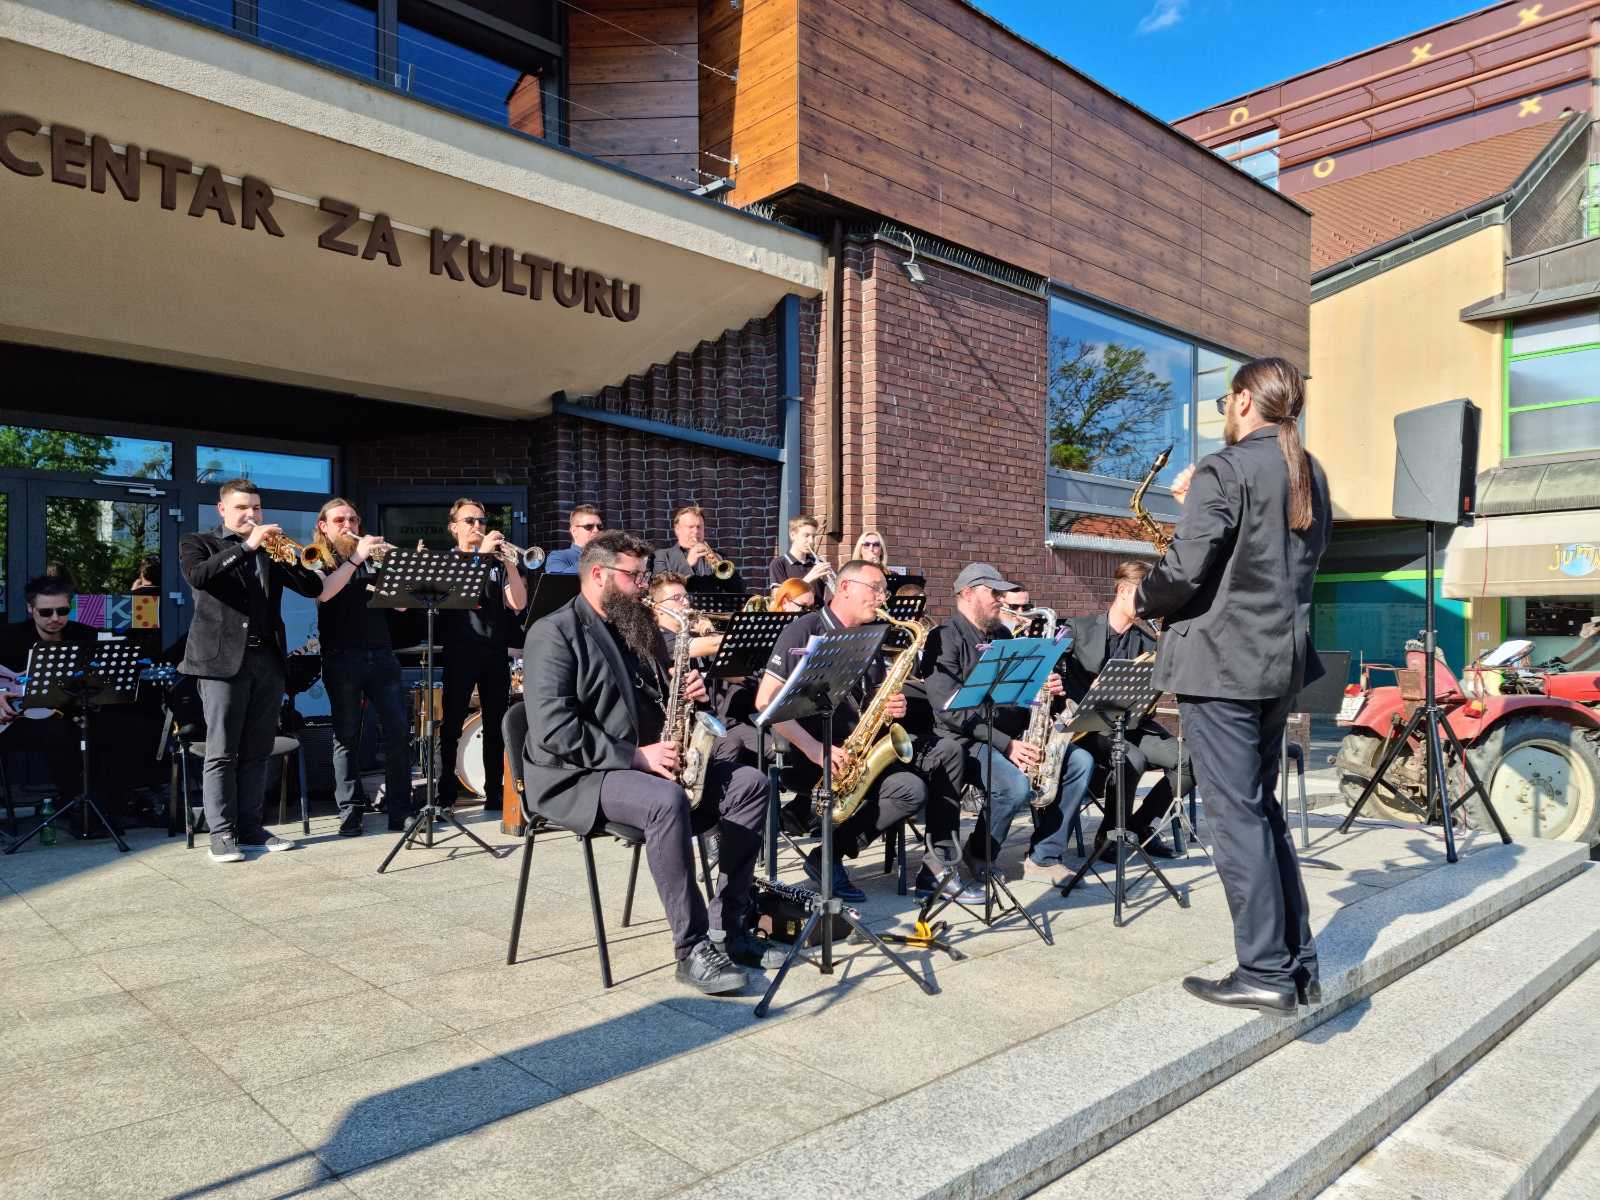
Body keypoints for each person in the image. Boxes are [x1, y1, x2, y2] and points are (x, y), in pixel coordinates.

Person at [1137, 357, 1331, 1015]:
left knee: (1235, 816)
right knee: (1262, 810)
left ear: (1245, 401)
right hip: (1277, 664)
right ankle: (1296, 964)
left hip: (1221, 667)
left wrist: (1142, 594)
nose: (1226, 408)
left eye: (1227, 398)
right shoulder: (1310, 473)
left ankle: (1265, 972)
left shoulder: (1226, 468)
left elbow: (1186, 571)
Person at [522, 531, 779, 992]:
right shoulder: (553, 632)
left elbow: (662, 699)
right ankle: (692, 947)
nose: (643, 586)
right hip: (579, 775)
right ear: (598, 575)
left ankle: (731, 923)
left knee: (751, 783)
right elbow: (554, 731)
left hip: (645, 763)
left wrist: (691, 697)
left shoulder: (634, 624)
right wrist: (636, 757)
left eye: (643, 575)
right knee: (665, 802)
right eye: (634, 576)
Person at [756, 558, 980, 904]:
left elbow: (870, 696)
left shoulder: (871, 634)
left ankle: (938, 866)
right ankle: (829, 857)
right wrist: (815, 749)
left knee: (948, 752)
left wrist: (892, 706)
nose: (883, 598)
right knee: (911, 789)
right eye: (876, 589)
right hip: (813, 757)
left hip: (861, 749)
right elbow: (764, 702)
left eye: (884, 591)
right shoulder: (803, 630)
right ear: (844, 587)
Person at [922, 564, 1094, 888]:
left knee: (1079, 762)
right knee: (1014, 787)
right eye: (994, 593)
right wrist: (1007, 745)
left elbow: (1017, 695)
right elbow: (949, 711)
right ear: (968, 593)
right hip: (965, 741)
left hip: (1009, 735)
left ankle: (1045, 856)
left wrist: (1044, 687)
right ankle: (980, 852)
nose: (1001, 600)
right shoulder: (943, 638)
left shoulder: (1002, 635)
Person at [178, 479, 323, 863]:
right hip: (221, 662)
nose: (251, 515)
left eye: (256, 508)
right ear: (222, 510)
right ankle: (221, 833)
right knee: (222, 751)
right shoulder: (199, 543)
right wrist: (247, 546)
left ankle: (251, 828)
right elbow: (198, 577)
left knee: (257, 750)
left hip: (267, 659)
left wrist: (292, 558)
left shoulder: (269, 550)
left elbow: (310, 588)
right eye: (242, 508)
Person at [1059, 562, 1191, 863]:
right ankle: (1108, 836)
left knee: (1191, 760)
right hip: (1086, 728)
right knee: (1131, 757)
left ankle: (1138, 825)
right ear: (1122, 590)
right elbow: (1054, 672)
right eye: (1145, 595)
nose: (1150, 604)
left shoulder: (1146, 642)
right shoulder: (1077, 630)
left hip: (1130, 725)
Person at [308, 499, 412, 837]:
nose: (348, 524)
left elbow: (399, 607)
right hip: (341, 657)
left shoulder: (372, 558)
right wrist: (357, 559)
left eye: (353, 518)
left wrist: (397, 567)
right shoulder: (316, 556)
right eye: (340, 519)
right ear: (324, 525)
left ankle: (401, 811)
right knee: (346, 736)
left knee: (398, 732)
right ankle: (350, 812)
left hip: (381, 655)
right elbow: (324, 593)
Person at [437, 499, 527, 814]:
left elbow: (517, 603)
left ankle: (495, 792)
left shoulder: (497, 564)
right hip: (460, 651)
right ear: (454, 527)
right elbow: (461, 594)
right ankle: (445, 791)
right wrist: (484, 556)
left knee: (496, 724)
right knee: (451, 725)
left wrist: (512, 564)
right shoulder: (445, 561)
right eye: (470, 520)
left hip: (494, 652)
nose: (478, 526)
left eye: (482, 520)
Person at [0, 575, 99, 825]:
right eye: (45, 612)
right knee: (60, 733)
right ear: (30, 609)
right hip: (15, 720)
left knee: (108, 729)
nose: (55, 618)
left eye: (62, 610)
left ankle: (89, 807)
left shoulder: (84, 636)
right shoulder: (9, 636)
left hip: (67, 716)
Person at [651, 505, 746, 595]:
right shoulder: (661, 556)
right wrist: (687, 564)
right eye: (690, 527)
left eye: (699, 527)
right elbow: (660, 589)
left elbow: (740, 590)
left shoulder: (718, 557)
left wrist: (722, 565)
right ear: (677, 529)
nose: (696, 531)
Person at [768, 515, 832, 603]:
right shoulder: (779, 564)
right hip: (796, 616)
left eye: (813, 536)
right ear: (792, 535)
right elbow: (779, 599)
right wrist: (808, 579)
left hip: (817, 615)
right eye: (806, 535)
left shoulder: (817, 563)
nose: (811, 541)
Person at [544, 505, 604, 575]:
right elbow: (559, 580)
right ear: (574, 531)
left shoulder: (610, 557)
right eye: (589, 526)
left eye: (600, 527)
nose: (596, 530)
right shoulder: (558, 556)